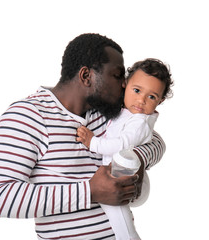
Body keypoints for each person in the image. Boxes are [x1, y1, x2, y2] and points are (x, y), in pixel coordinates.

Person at [0, 33, 166, 240]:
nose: (124, 85)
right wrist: (90, 191)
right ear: (86, 76)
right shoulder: (27, 116)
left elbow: (155, 141)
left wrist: (137, 159)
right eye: (117, 76)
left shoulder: (106, 113)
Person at [77, 58, 173, 239]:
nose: (141, 100)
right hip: (114, 173)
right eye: (136, 90)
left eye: (151, 97)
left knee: (116, 211)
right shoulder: (124, 111)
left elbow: (122, 143)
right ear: (125, 85)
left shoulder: (139, 122)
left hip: (124, 177)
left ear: (159, 102)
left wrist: (93, 142)